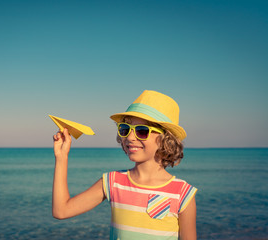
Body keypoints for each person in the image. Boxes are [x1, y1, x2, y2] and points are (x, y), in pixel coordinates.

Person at [52, 90, 197, 240]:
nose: (130, 137)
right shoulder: (113, 182)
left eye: (142, 131)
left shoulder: (182, 194)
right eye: (125, 129)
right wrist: (61, 157)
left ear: (166, 139)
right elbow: (61, 210)